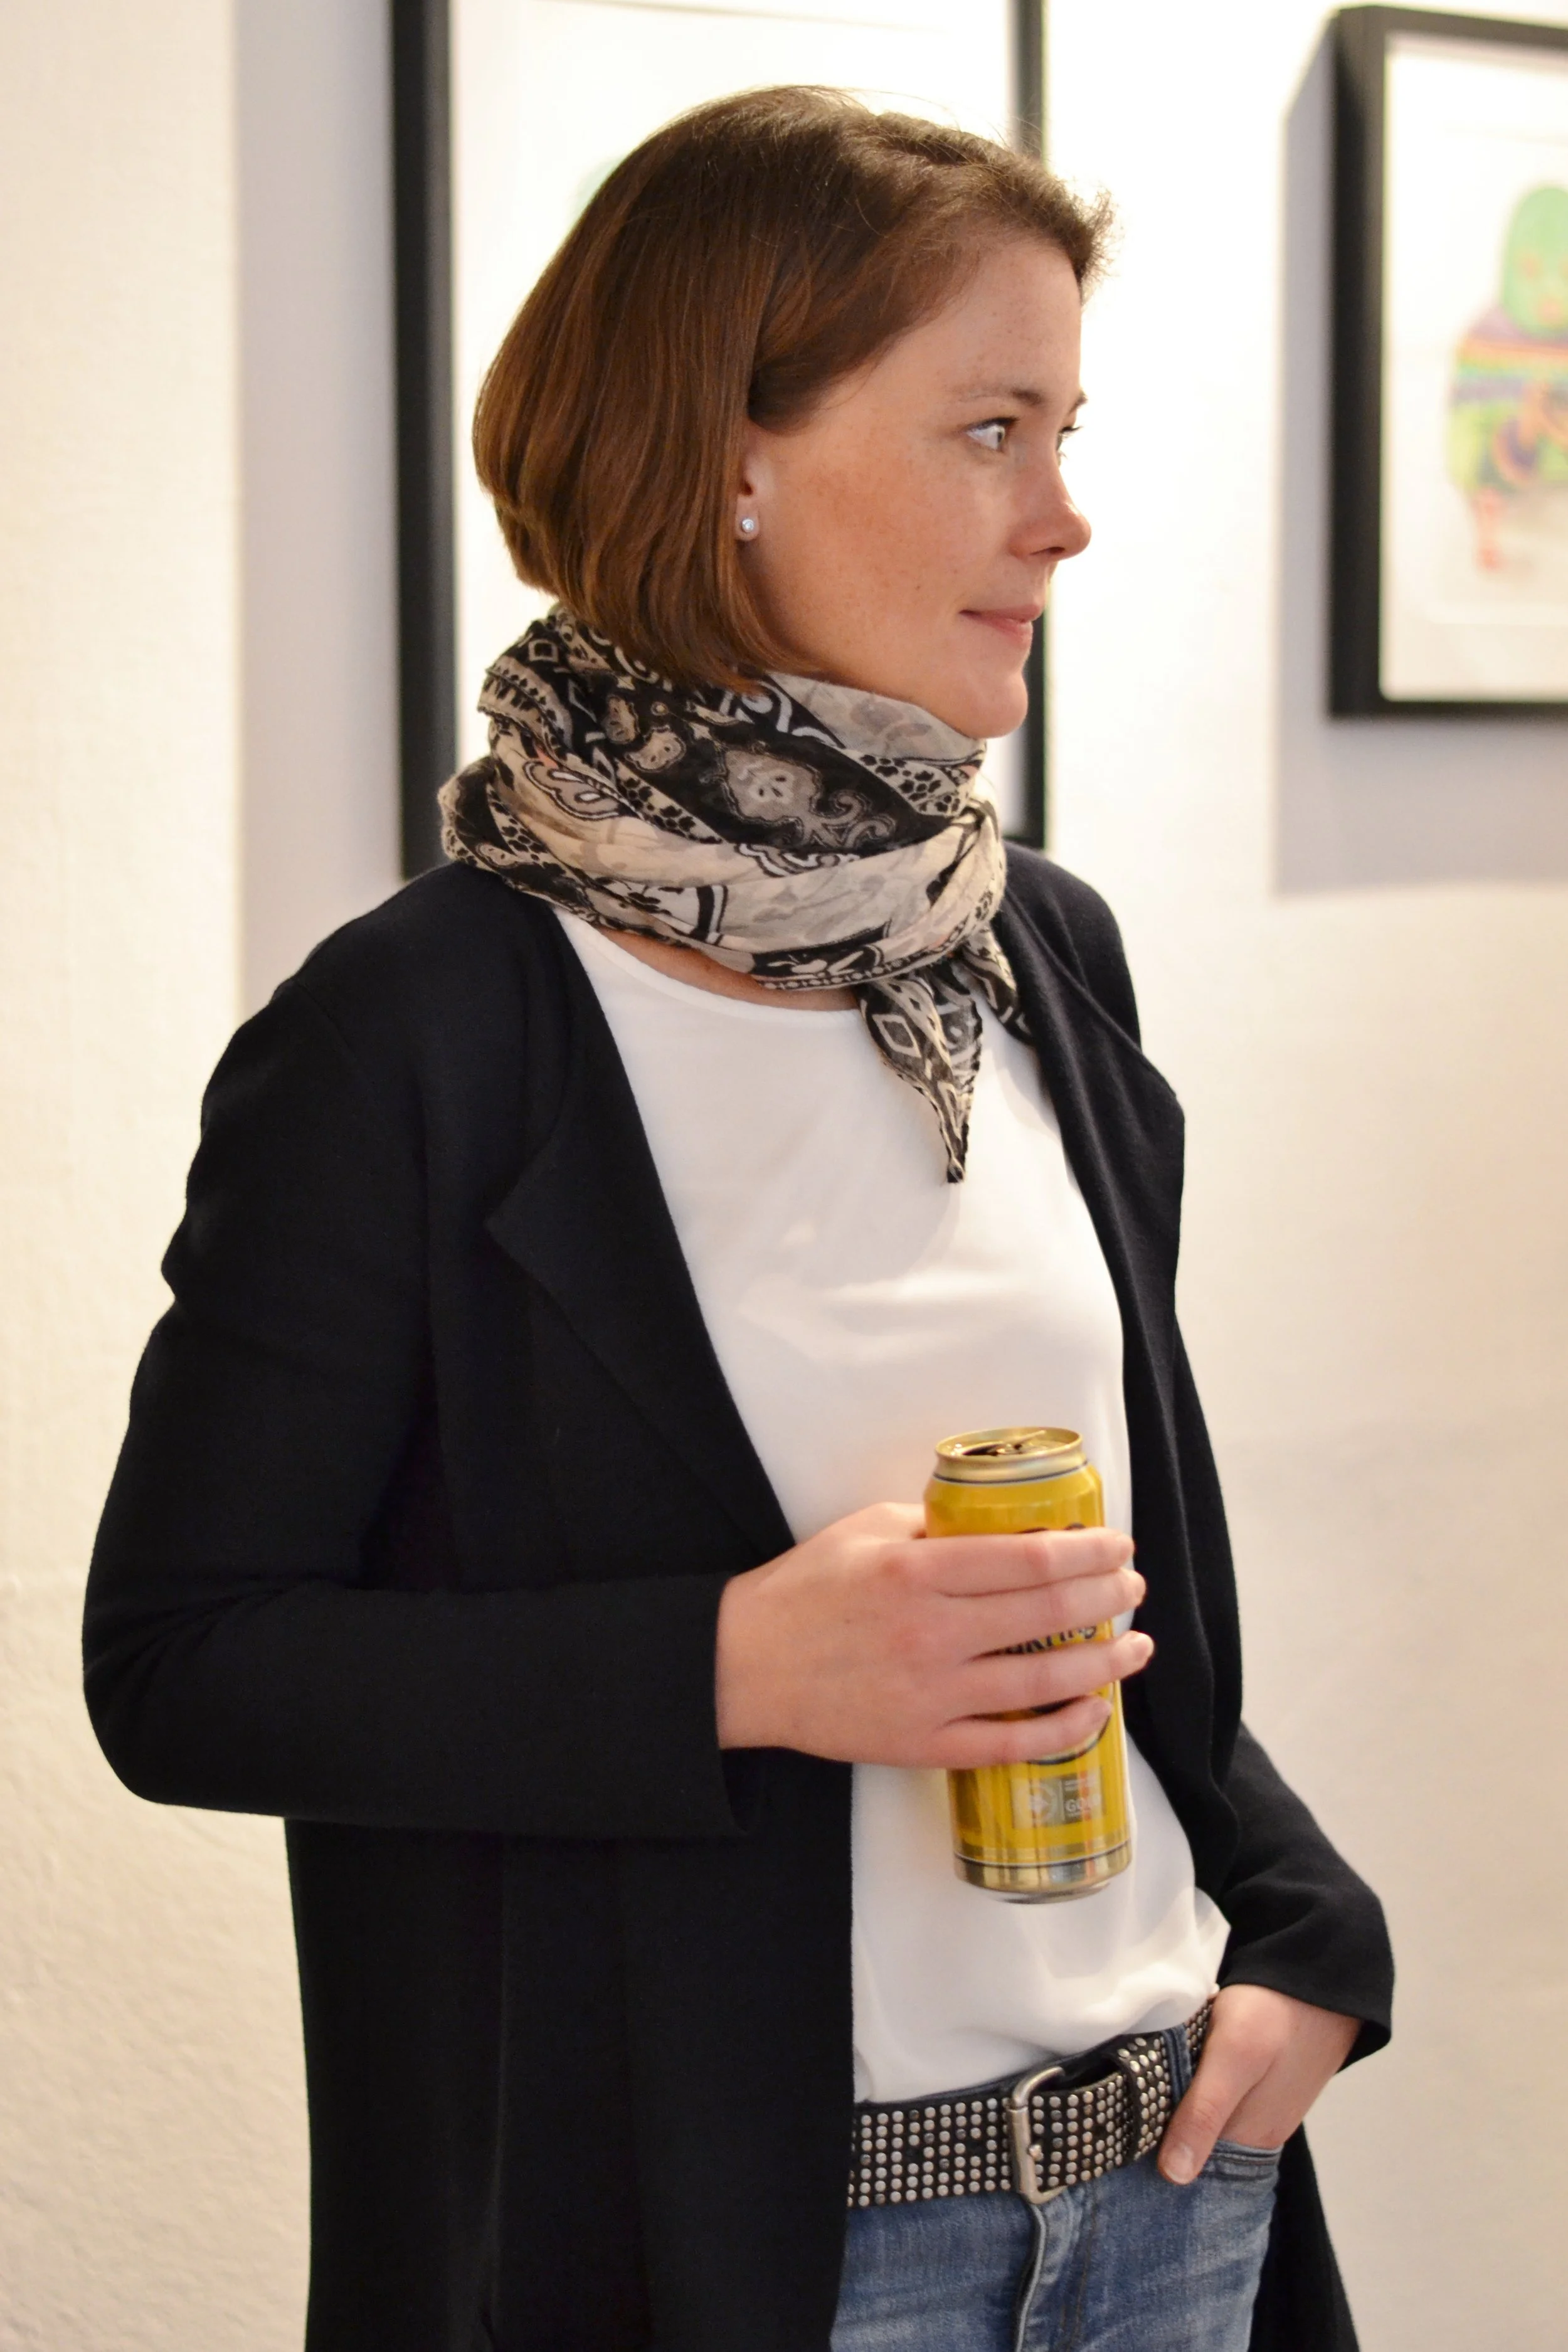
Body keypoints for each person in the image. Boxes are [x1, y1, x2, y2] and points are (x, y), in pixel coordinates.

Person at [85, 87, 1392, 2352]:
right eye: (989, 429)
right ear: (727, 462)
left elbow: (1121, 1609)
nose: (1064, 514)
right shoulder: (417, 1031)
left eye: (1066, 431)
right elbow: (185, 1661)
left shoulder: (1034, 948)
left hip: (1174, 2190)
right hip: (750, 2258)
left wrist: (1304, 1928)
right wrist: (736, 1665)